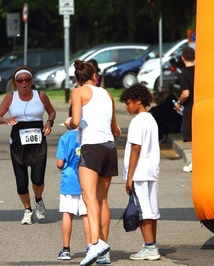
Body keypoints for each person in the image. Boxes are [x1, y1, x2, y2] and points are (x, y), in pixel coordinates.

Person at [69, 59, 121, 266]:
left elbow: (75, 121)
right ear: (94, 75)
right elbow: (116, 129)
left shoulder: (78, 92)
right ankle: (104, 250)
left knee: (88, 198)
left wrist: (69, 124)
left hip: (91, 147)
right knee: (103, 201)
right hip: (109, 147)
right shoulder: (107, 94)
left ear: (77, 79)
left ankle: (94, 244)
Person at [0, 66, 56, 225]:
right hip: (18, 142)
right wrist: (6, 120)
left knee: (38, 178)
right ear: (15, 83)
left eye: (27, 80)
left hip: (38, 142)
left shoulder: (40, 95)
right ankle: (27, 209)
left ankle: (38, 199)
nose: (24, 83)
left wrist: (49, 122)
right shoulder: (10, 97)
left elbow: (52, 112)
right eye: (20, 80)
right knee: (21, 182)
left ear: (31, 81)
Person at [119, 83, 161, 261]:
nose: (127, 106)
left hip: (139, 171)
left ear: (138, 100)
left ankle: (150, 248)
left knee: (143, 210)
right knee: (151, 210)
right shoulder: (151, 119)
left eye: (128, 103)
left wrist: (129, 177)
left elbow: (136, 148)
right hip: (152, 170)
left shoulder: (137, 122)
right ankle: (150, 243)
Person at [56, 107, 90, 261]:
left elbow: (59, 162)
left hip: (69, 180)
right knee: (86, 216)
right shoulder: (87, 136)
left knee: (67, 214)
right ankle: (90, 247)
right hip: (86, 180)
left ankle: (66, 249)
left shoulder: (64, 138)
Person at [175, 47, 195, 142]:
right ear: (194, 57)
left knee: (189, 137)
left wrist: (178, 103)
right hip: (200, 105)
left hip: (189, 107)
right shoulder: (199, 71)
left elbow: (185, 94)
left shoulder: (184, 74)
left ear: (182, 58)